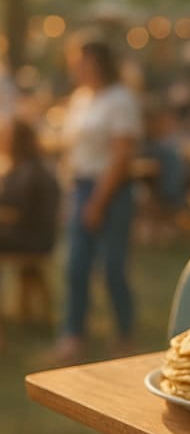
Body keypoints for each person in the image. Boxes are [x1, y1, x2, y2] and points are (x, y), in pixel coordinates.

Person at [52, 39, 143, 362]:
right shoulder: (81, 98)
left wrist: (98, 202)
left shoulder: (120, 99)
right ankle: (73, 335)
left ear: (98, 62)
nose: (76, 67)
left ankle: (124, 334)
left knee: (112, 267)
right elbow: (73, 149)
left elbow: (122, 156)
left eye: (81, 61)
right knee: (75, 266)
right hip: (80, 186)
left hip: (111, 189)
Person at [0, 117, 60, 254]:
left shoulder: (27, 173)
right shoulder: (32, 167)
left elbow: (14, 212)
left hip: (30, 240)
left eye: (4, 136)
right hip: (36, 237)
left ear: (15, 140)